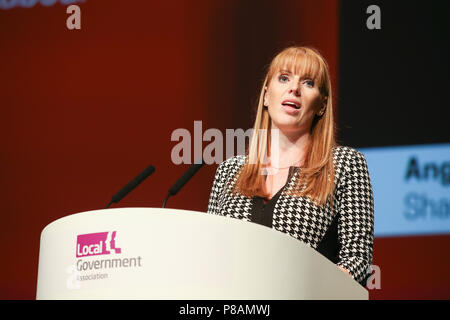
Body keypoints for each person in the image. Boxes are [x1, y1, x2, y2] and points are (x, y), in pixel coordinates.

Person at [206, 46, 374, 286]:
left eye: (308, 83)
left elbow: (358, 260)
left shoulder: (344, 165)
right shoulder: (229, 171)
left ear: (322, 105)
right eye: (284, 78)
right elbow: (210, 254)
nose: (293, 88)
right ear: (266, 95)